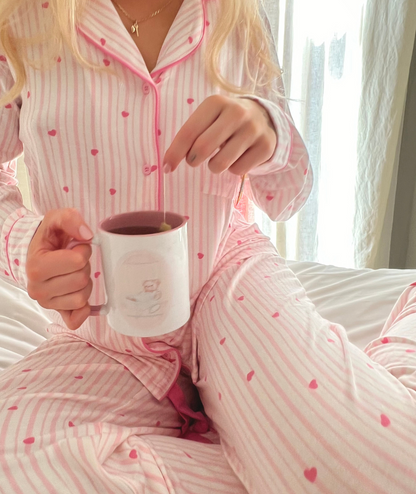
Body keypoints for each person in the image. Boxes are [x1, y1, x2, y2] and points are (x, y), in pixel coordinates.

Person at [0, 0, 416, 493]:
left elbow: (287, 196)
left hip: (230, 285)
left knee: (384, 471)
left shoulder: (235, 15)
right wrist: (23, 242)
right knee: (16, 461)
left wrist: (270, 133)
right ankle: (265, 449)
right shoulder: (20, 23)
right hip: (104, 334)